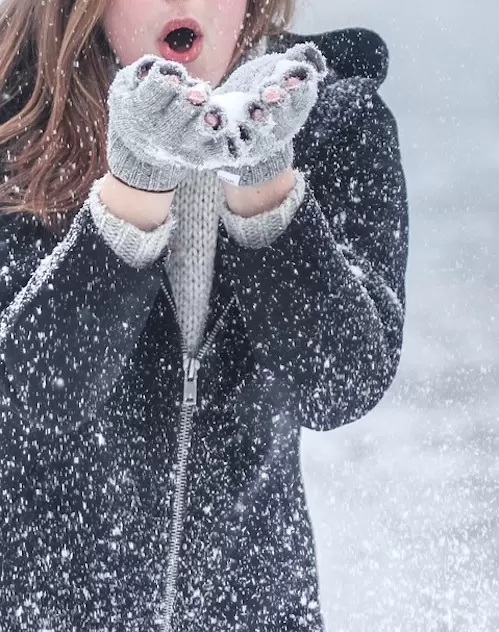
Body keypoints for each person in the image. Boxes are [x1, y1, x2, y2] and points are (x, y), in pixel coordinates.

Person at [0, 0, 408, 628]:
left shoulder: (334, 123)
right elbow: (32, 392)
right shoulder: (16, 124)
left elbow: (340, 384)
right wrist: (134, 188)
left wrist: (265, 186)